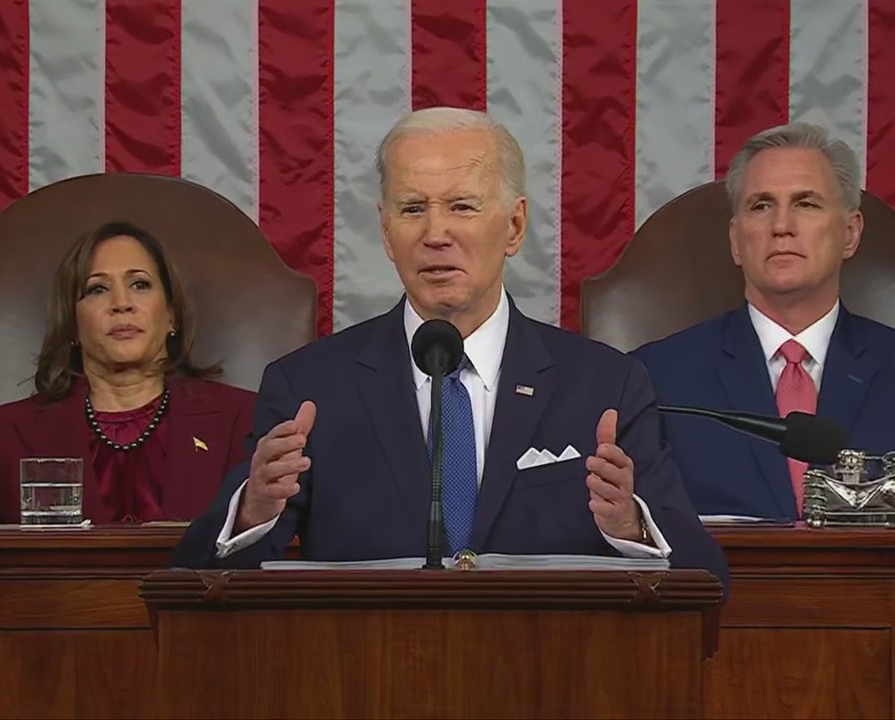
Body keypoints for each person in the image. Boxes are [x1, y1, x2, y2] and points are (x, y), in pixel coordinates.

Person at [170, 107, 728, 591]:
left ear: (514, 226)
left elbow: (708, 581)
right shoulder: (309, 387)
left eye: (462, 206)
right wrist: (253, 511)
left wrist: (631, 528)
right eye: (412, 209)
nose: (435, 233)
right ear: (387, 233)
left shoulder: (604, 385)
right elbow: (194, 582)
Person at [634, 123, 895, 521]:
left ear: (850, 233)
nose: (781, 226)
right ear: (735, 241)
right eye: (761, 206)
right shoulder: (657, 377)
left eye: (805, 204)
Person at [0, 222, 258, 524]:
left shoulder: (244, 422)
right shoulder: (3, 438)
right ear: (72, 325)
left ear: (171, 315)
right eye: (97, 289)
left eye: (140, 284)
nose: (121, 303)